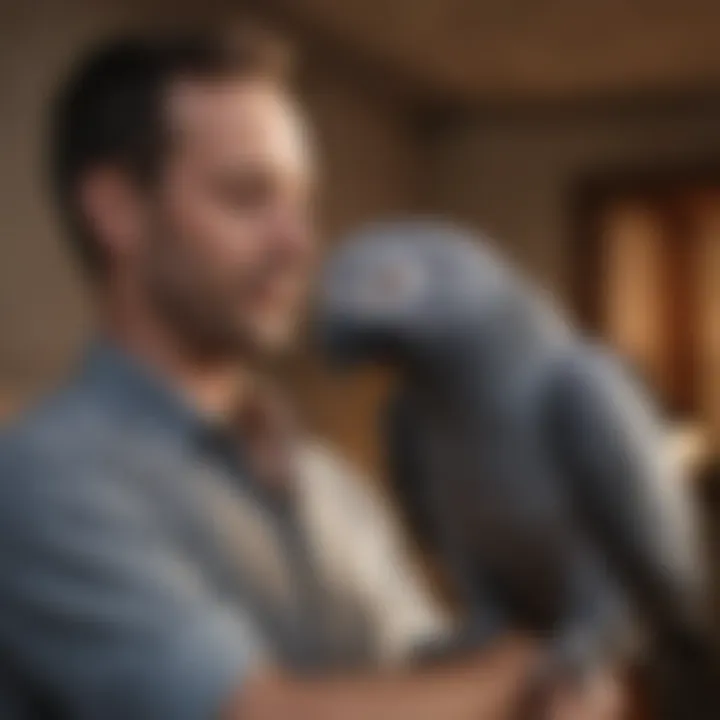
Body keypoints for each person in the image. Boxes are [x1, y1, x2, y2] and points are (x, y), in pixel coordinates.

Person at [0, 26, 620, 720]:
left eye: (300, 203)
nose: (299, 244)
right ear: (116, 209)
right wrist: (537, 662)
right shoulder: (38, 482)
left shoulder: (333, 486)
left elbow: (424, 680)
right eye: (246, 197)